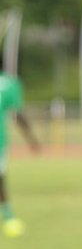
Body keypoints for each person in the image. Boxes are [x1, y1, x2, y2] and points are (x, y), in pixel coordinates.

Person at [0, 70, 40, 236]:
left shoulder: (9, 84)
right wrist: (32, 139)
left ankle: (8, 216)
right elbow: (18, 115)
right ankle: (8, 216)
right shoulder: (9, 84)